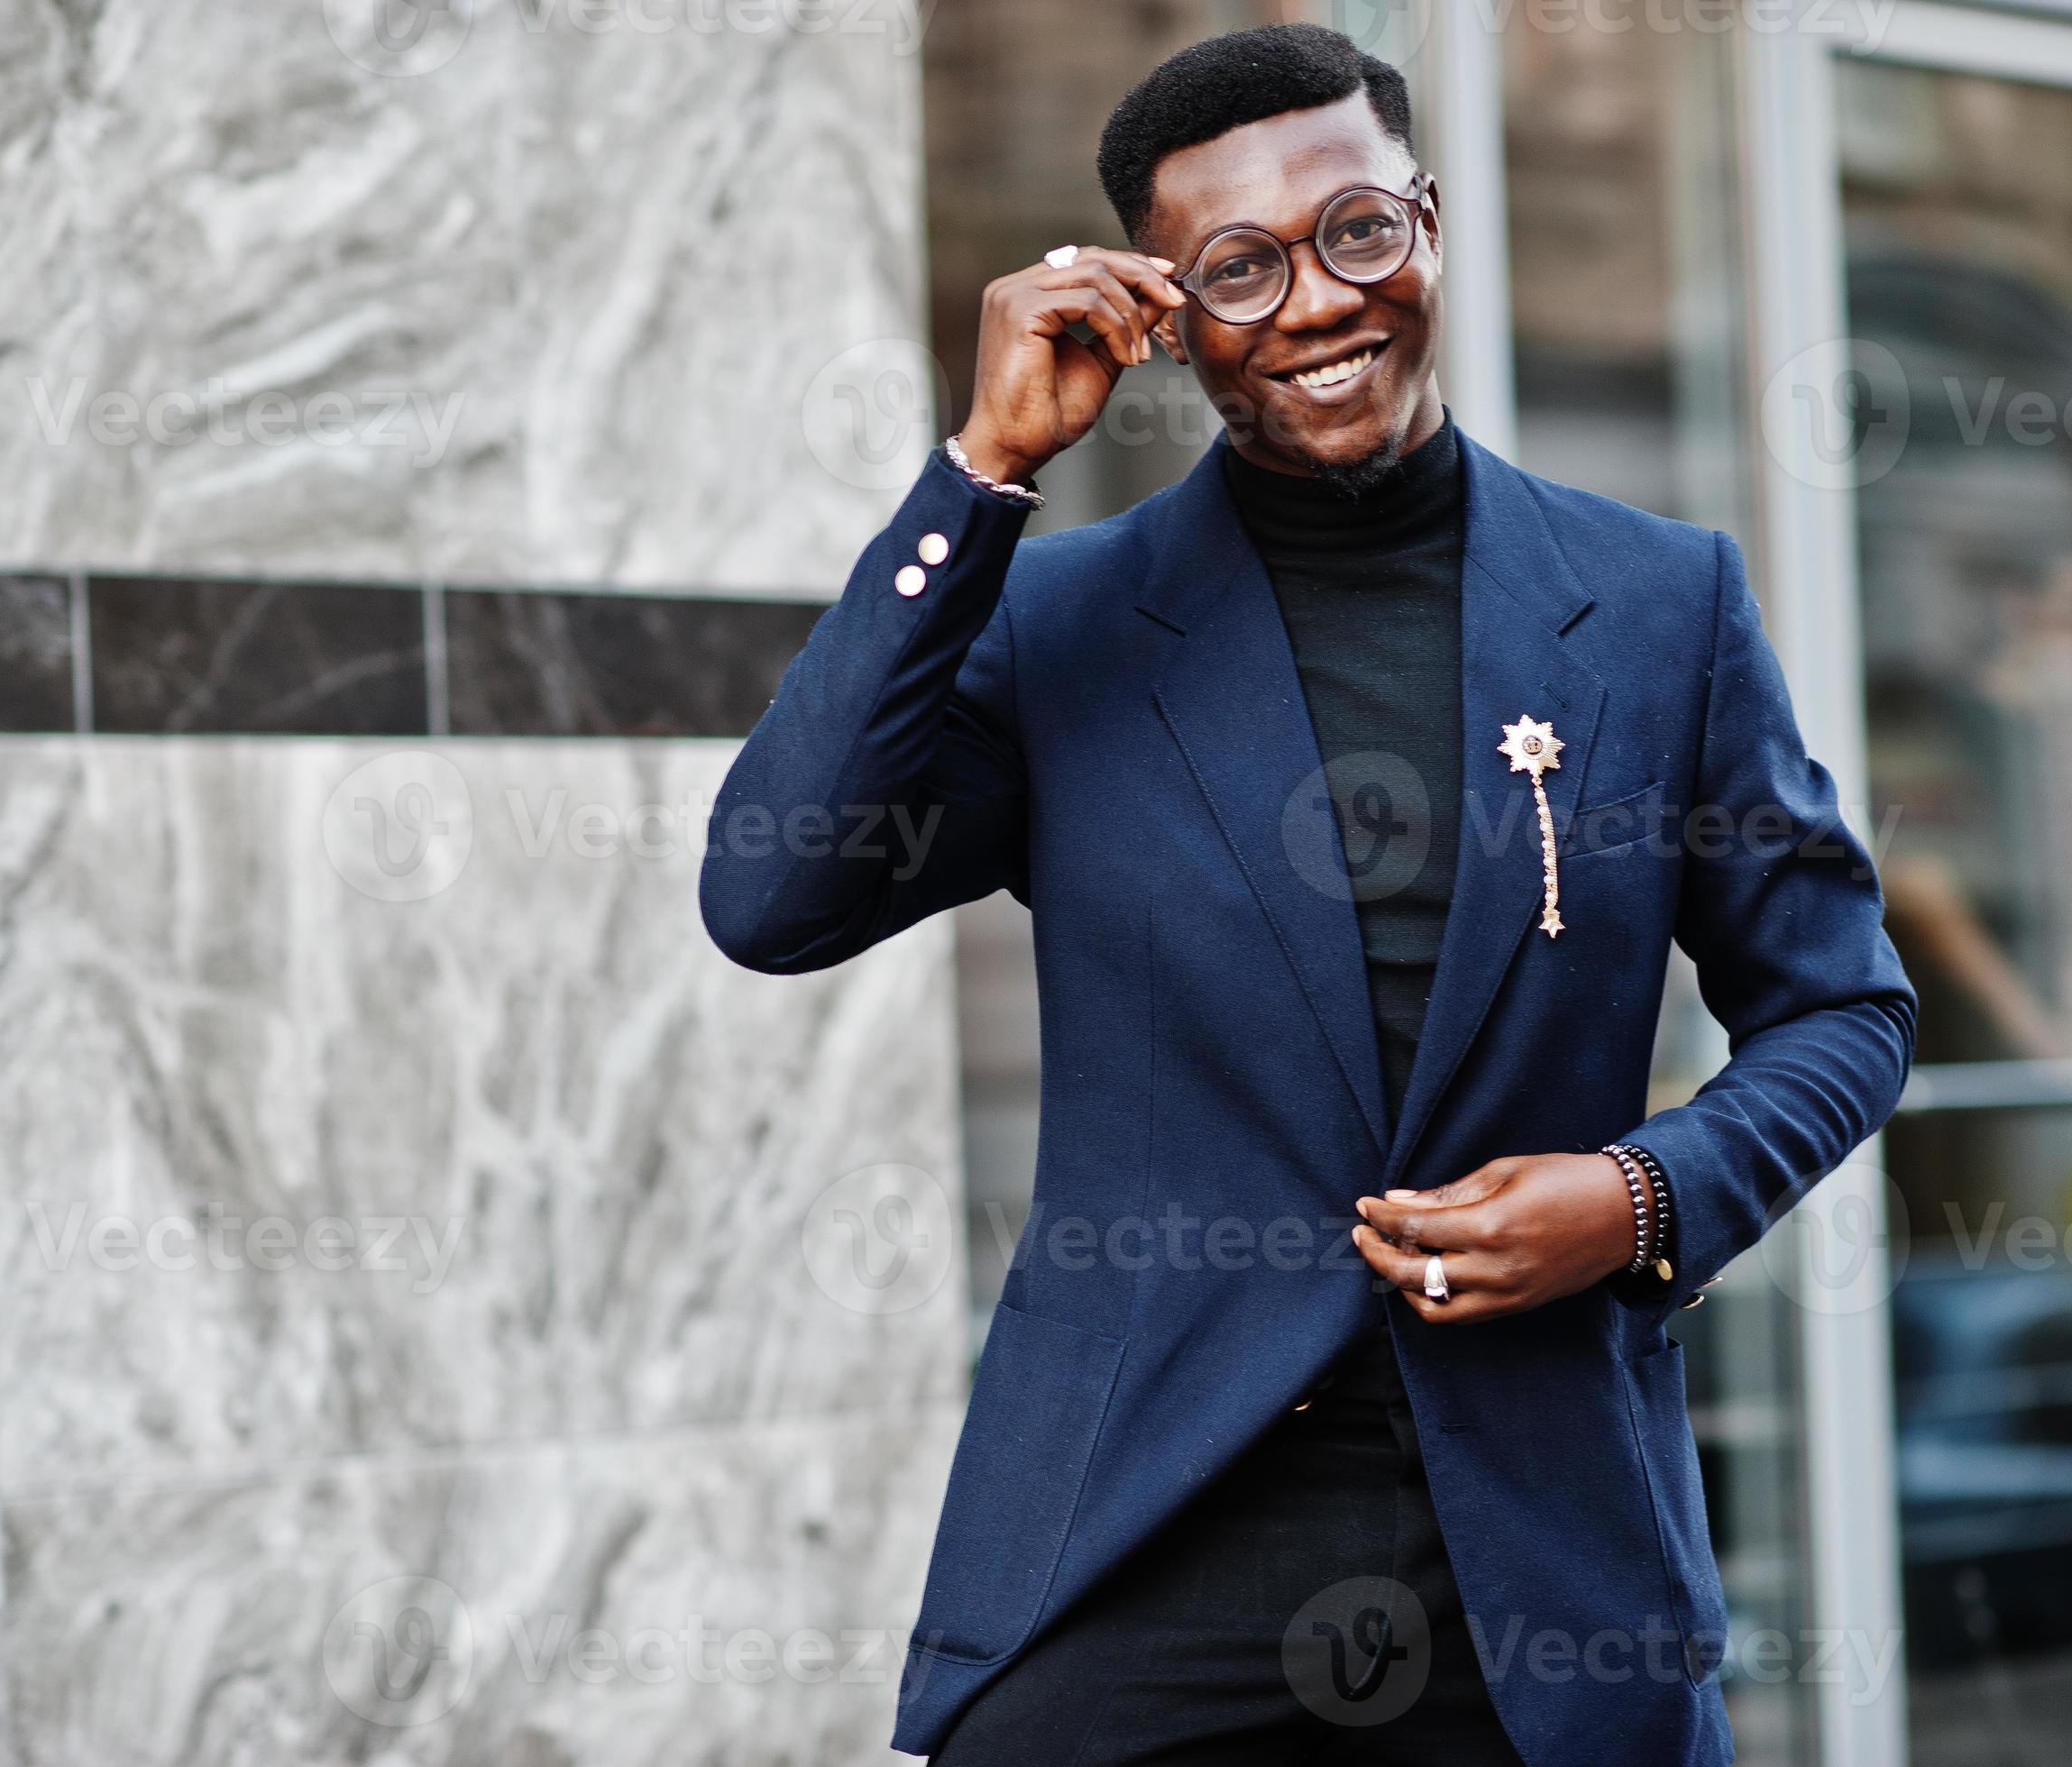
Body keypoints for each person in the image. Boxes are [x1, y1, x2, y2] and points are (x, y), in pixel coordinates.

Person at [700, 23, 1914, 1764]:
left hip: (1539, 1544)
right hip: (1142, 1531)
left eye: (1357, 232)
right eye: (1239, 269)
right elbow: (769, 894)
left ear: (1425, 225)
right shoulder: (1063, 628)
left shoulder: (1660, 607)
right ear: (1166, 310)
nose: (1317, 303)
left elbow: (1842, 1005)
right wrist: (978, 478)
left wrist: (1642, 1196)